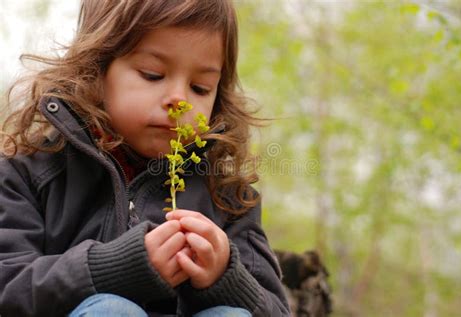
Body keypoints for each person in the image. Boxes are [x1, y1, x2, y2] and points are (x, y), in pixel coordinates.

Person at [0, 0, 290, 316]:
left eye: (200, 87)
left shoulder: (228, 197)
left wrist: (225, 277)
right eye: (152, 75)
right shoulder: (29, 173)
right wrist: (110, 269)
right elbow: (8, 287)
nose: (178, 100)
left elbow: (275, 309)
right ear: (95, 70)